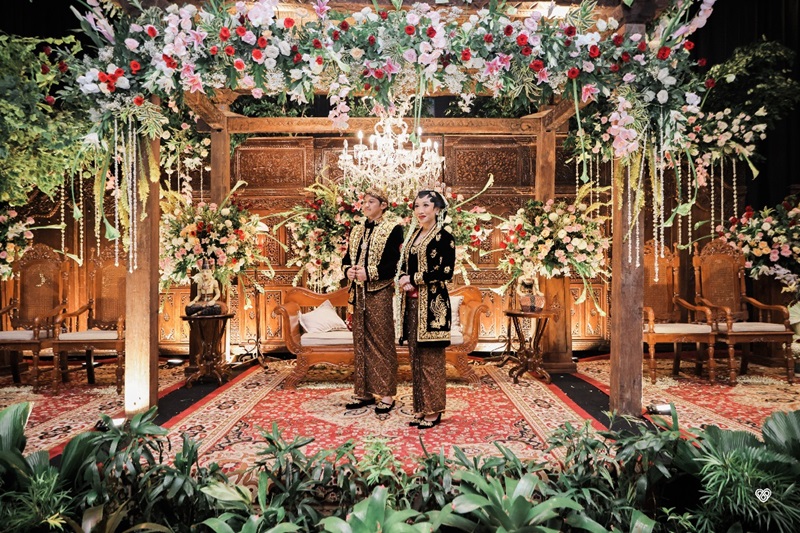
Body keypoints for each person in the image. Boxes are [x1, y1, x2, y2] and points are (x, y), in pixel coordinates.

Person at [342, 187, 404, 415]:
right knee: (360, 342)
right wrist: (348, 270)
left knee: (382, 341)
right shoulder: (357, 229)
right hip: (357, 294)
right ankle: (364, 392)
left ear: (383, 205)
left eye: (371, 202)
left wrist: (370, 273)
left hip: (380, 292)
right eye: (364, 202)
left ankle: (386, 394)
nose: (366, 206)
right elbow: (347, 258)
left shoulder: (393, 229)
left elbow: (395, 263)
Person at [397, 190, 456, 429]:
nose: (420, 210)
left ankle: (434, 410)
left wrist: (414, 278)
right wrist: (403, 278)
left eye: (426, 206)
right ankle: (421, 407)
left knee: (431, 360)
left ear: (437, 209)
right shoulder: (413, 237)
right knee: (416, 359)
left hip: (433, 306)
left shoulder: (444, 237)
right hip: (411, 305)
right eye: (417, 206)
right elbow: (403, 266)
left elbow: (446, 272)